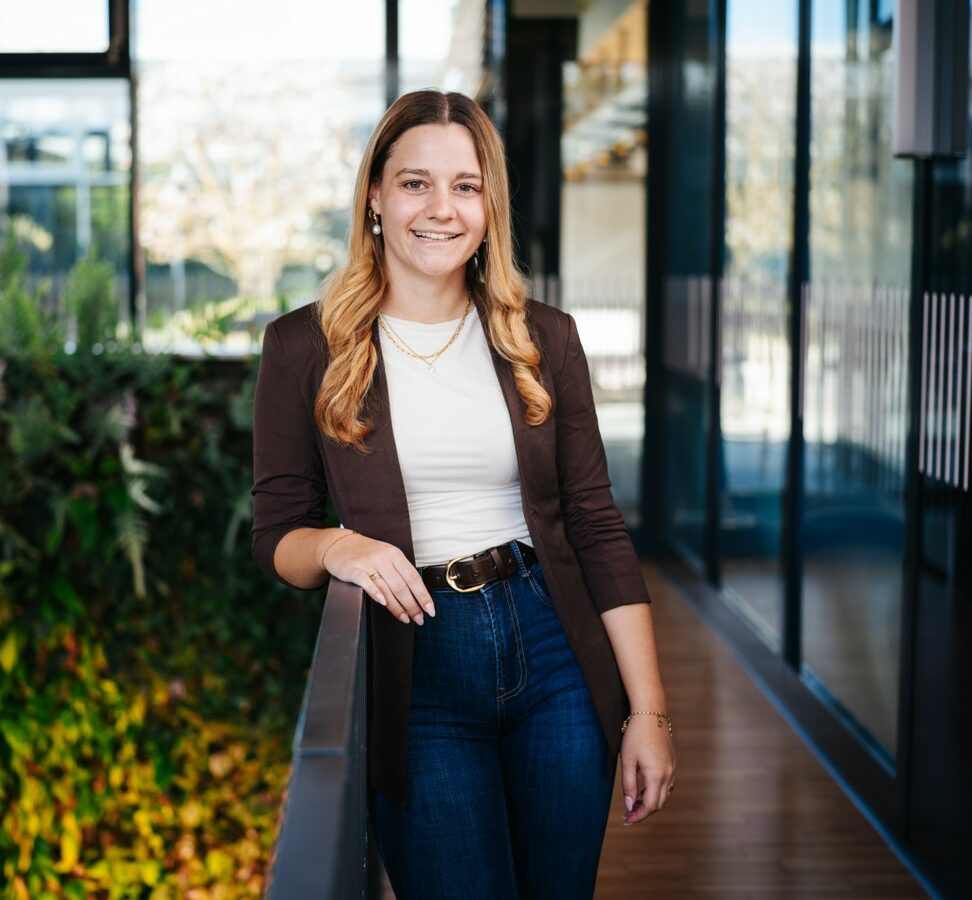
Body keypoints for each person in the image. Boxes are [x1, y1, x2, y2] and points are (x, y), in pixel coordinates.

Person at [251, 89, 675, 899]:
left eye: (466, 186)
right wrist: (341, 544)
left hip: (553, 649)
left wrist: (648, 714)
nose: (440, 209)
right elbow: (279, 536)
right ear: (374, 196)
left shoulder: (544, 337)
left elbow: (596, 527)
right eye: (415, 183)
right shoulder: (304, 346)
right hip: (419, 663)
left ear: (490, 207)